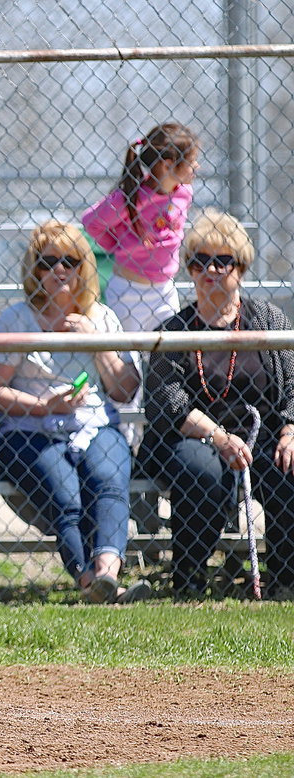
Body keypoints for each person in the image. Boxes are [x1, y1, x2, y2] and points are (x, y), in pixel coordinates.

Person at [0, 220, 151, 604]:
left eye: (69, 261)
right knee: (66, 495)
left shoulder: (102, 317)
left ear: (83, 268)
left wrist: (96, 343)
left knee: (109, 479)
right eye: (47, 262)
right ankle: (89, 580)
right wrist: (44, 406)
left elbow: (125, 390)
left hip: (93, 425)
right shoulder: (16, 318)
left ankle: (108, 572)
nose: (59, 270)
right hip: (28, 430)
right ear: (34, 269)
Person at [140, 210, 294, 600]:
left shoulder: (269, 320)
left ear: (240, 268)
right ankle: (190, 582)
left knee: (287, 466)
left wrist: (290, 430)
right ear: (189, 270)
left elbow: (293, 383)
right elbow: (166, 401)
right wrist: (219, 437)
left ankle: (284, 581)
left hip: (260, 437)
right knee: (202, 470)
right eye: (199, 261)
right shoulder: (174, 331)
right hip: (192, 439)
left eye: (222, 260)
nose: (210, 269)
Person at [81, 122, 200, 334]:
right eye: (191, 161)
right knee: (128, 357)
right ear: (167, 165)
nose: (196, 166)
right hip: (129, 291)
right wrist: (116, 245)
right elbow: (91, 221)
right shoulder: (131, 198)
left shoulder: (184, 193)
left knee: (168, 356)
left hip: (165, 290)